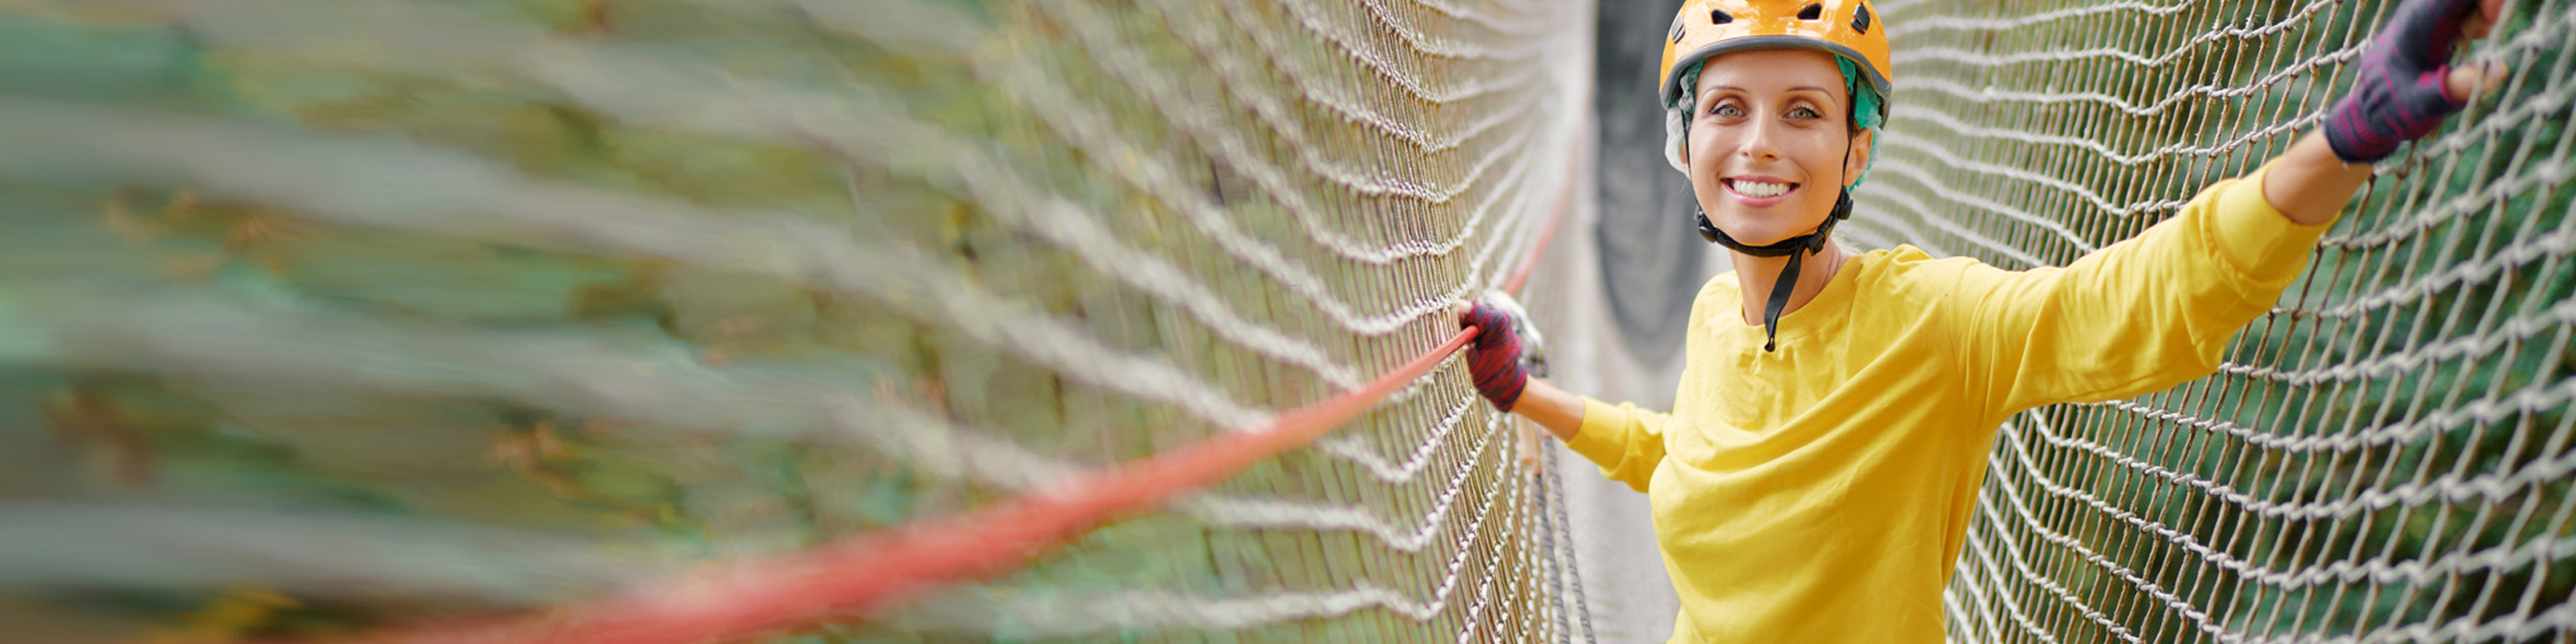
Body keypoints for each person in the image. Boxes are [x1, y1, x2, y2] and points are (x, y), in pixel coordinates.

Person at [1455, 0, 2513, 640]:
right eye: (1728, 108)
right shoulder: (1711, 322)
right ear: (1685, 145)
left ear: (1856, 153)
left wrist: (2341, 143)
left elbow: (2141, 300)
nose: (1761, 144)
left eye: (1806, 111)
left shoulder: (1931, 323)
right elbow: (1684, 454)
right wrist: (1527, 395)